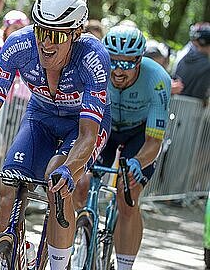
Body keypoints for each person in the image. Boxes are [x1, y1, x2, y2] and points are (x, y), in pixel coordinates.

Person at [0, 0, 112, 270]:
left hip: (82, 125)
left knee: (56, 182)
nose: (46, 42)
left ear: (76, 33)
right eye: (41, 31)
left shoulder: (93, 57)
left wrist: (69, 169)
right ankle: (8, 254)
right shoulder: (18, 45)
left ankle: (59, 264)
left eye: (58, 35)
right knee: (9, 181)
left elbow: (88, 134)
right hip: (40, 118)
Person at [73, 25, 172, 270]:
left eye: (127, 64)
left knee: (128, 196)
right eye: (112, 61)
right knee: (80, 183)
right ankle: (84, 234)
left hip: (138, 134)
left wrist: (138, 161)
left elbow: (154, 141)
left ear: (139, 60)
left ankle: (125, 265)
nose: (118, 70)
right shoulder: (95, 69)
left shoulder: (157, 80)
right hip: (103, 129)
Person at [174, 22, 210, 102]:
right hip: (192, 110)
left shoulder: (184, 54)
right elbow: (200, 93)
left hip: (174, 104)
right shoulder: (206, 65)